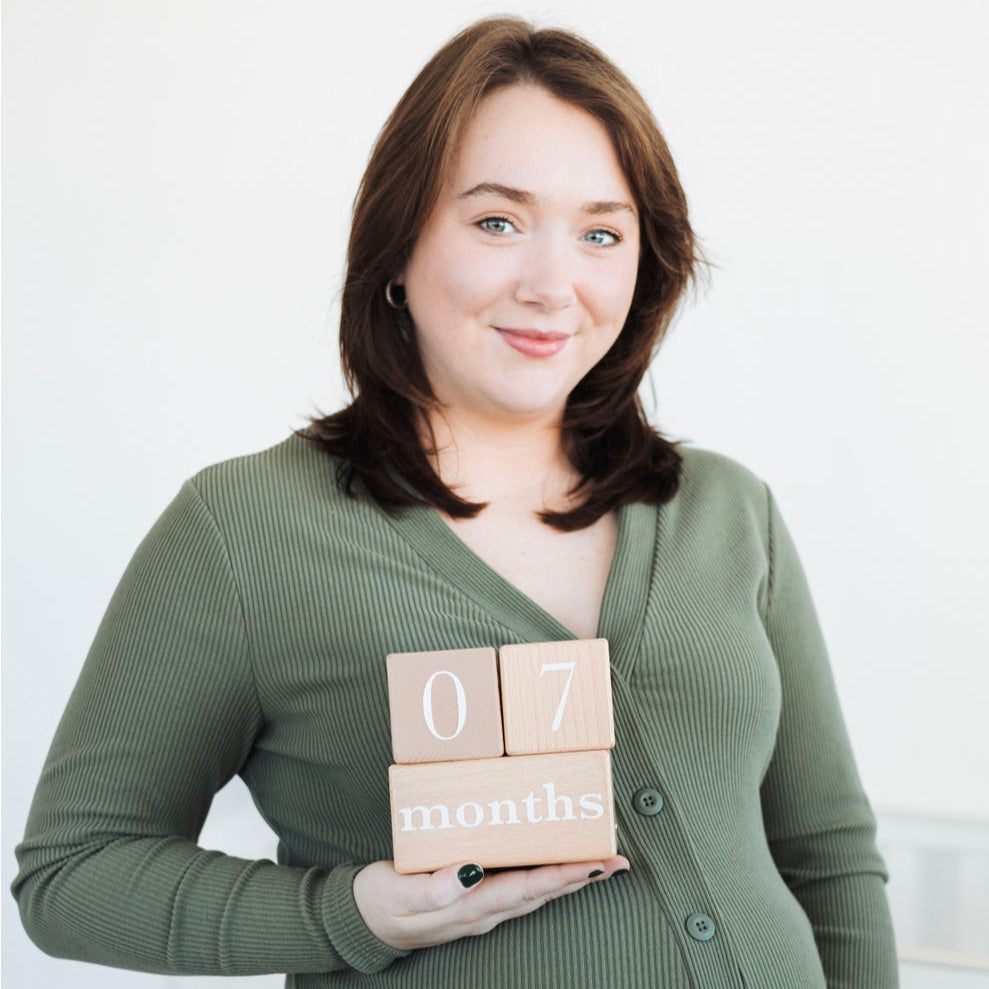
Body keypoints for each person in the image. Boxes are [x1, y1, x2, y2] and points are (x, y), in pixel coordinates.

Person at [12, 16, 898, 988]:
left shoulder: (725, 508)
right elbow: (72, 874)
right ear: (397, 243)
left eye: (600, 233)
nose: (552, 285)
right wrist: (350, 911)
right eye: (496, 222)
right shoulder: (243, 529)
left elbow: (826, 856)